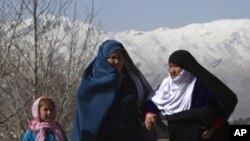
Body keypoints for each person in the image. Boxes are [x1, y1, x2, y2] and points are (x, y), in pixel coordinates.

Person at [71, 39, 156, 141]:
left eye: (120, 58)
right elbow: (86, 113)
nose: (117, 62)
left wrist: (149, 112)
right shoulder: (92, 83)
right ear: (103, 60)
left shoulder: (132, 82)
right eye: (113, 58)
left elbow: (147, 97)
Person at [145, 49, 238, 141]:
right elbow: (156, 100)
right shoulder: (167, 84)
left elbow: (228, 100)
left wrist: (214, 127)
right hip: (178, 135)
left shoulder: (202, 85)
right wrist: (150, 112)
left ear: (186, 67)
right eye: (170, 66)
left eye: (176, 67)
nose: (172, 71)